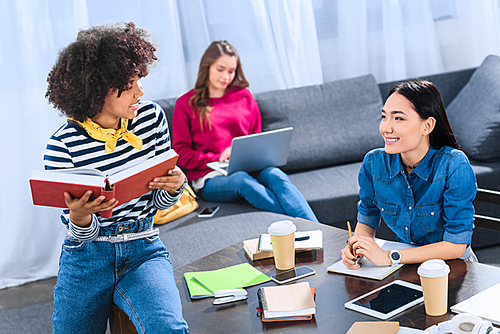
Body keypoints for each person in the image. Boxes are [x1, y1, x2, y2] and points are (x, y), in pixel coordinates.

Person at [44, 22, 188, 333]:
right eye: (130, 84)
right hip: (88, 258)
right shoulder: (63, 144)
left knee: (169, 329)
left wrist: (176, 185)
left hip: (143, 247)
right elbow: (77, 229)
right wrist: (79, 219)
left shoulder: (151, 119)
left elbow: (158, 204)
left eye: (140, 81)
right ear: (97, 90)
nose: (140, 92)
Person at [172, 40, 318, 222]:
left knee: (276, 176)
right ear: (207, 67)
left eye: (231, 71)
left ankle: (317, 231)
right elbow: (181, 154)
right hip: (210, 176)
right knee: (242, 180)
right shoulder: (186, 103)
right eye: (220, 69)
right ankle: (305, 227)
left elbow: (257, 137)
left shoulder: (244, 96)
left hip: (250, 166)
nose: (226, 76)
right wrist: (217, 158)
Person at [341, 80, 477, 270]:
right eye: (384, 117)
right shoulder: (374, 164)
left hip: (453, 269)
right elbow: (366, 219)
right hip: (407, 266)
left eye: (398, 118)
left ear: (427, 126)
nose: (386, 128)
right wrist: (356, 247)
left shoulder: (454, 165)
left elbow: (456, 245)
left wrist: (390, 256)